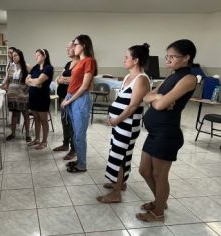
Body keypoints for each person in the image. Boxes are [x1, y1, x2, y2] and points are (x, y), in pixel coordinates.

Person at [136, 39, 197, 222]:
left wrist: (158, 99)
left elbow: (159, 104)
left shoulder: (188, 78)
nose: (168, 60)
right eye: (167, 56)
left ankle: (158, 211)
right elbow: (146, 97)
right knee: (144, 170)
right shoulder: (172, 75)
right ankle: (160, 201)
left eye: (172, 57)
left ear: (186, 57)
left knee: (159, 175)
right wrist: (160, 96)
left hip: (167, 134)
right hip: (155, 133)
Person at [96, 43, 151, 203]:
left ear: (136, 60)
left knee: (119, 156)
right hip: (119, 123)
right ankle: (121, 183)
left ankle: (116, 193)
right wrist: (112, 117)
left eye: (127, 57)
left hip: (128, 125)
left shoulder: (141, 79)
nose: (124, 59)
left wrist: (116, 120)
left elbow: (133, 106)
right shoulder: (128, 77)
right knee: (121, 153)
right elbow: (121, 100)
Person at [61, 35, 97, 172]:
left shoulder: (89, 61)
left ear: (84, 45)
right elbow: (74, 82)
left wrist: (69, 100)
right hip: (72, 98)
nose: (73, 47)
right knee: (76, 134)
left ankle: (82, 165)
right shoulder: (79, 62)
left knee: (80, 135)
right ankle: (79, 159)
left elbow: (84, 86)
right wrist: (67, 97)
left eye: (75, 44)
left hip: (80, 100)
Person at [52, 41, 79, 160]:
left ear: (75, 48)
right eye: (66, 48)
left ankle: (74, 149)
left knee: (73, 125)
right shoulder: (68, 63)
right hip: (63, 97)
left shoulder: (80, 63)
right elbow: (59, 78)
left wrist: (66, 79)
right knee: (65, 122)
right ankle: (65, 144)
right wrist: (60, 80)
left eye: (69, 48)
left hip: (73, 99)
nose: (67, 50)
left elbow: (76, 81)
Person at [26, 49, 54, 150]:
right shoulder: (35, 68)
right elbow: (26, 80)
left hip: (42, 97)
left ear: (44, 56)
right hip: (33, 96)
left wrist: (34, 82)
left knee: (43, 120)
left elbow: (38, 81)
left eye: (38, 55)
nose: (36, 57)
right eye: (35, 55)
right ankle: (37, 139)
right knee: (36, 119)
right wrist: (36, 83)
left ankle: (44, 141)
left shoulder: (48, 68)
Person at [2, 49, 31, 142]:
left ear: (20, 56)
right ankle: (13, 134)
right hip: (12, 95)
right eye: (13, 56)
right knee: (14, 114)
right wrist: (2, 87)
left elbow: (31, 80)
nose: (14, 57)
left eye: (16, 55)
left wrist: (26, 90)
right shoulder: (11, 67)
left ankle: (27, 135)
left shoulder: (26, 66)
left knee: (25, 114)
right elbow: (7, 81)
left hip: (23, 95)